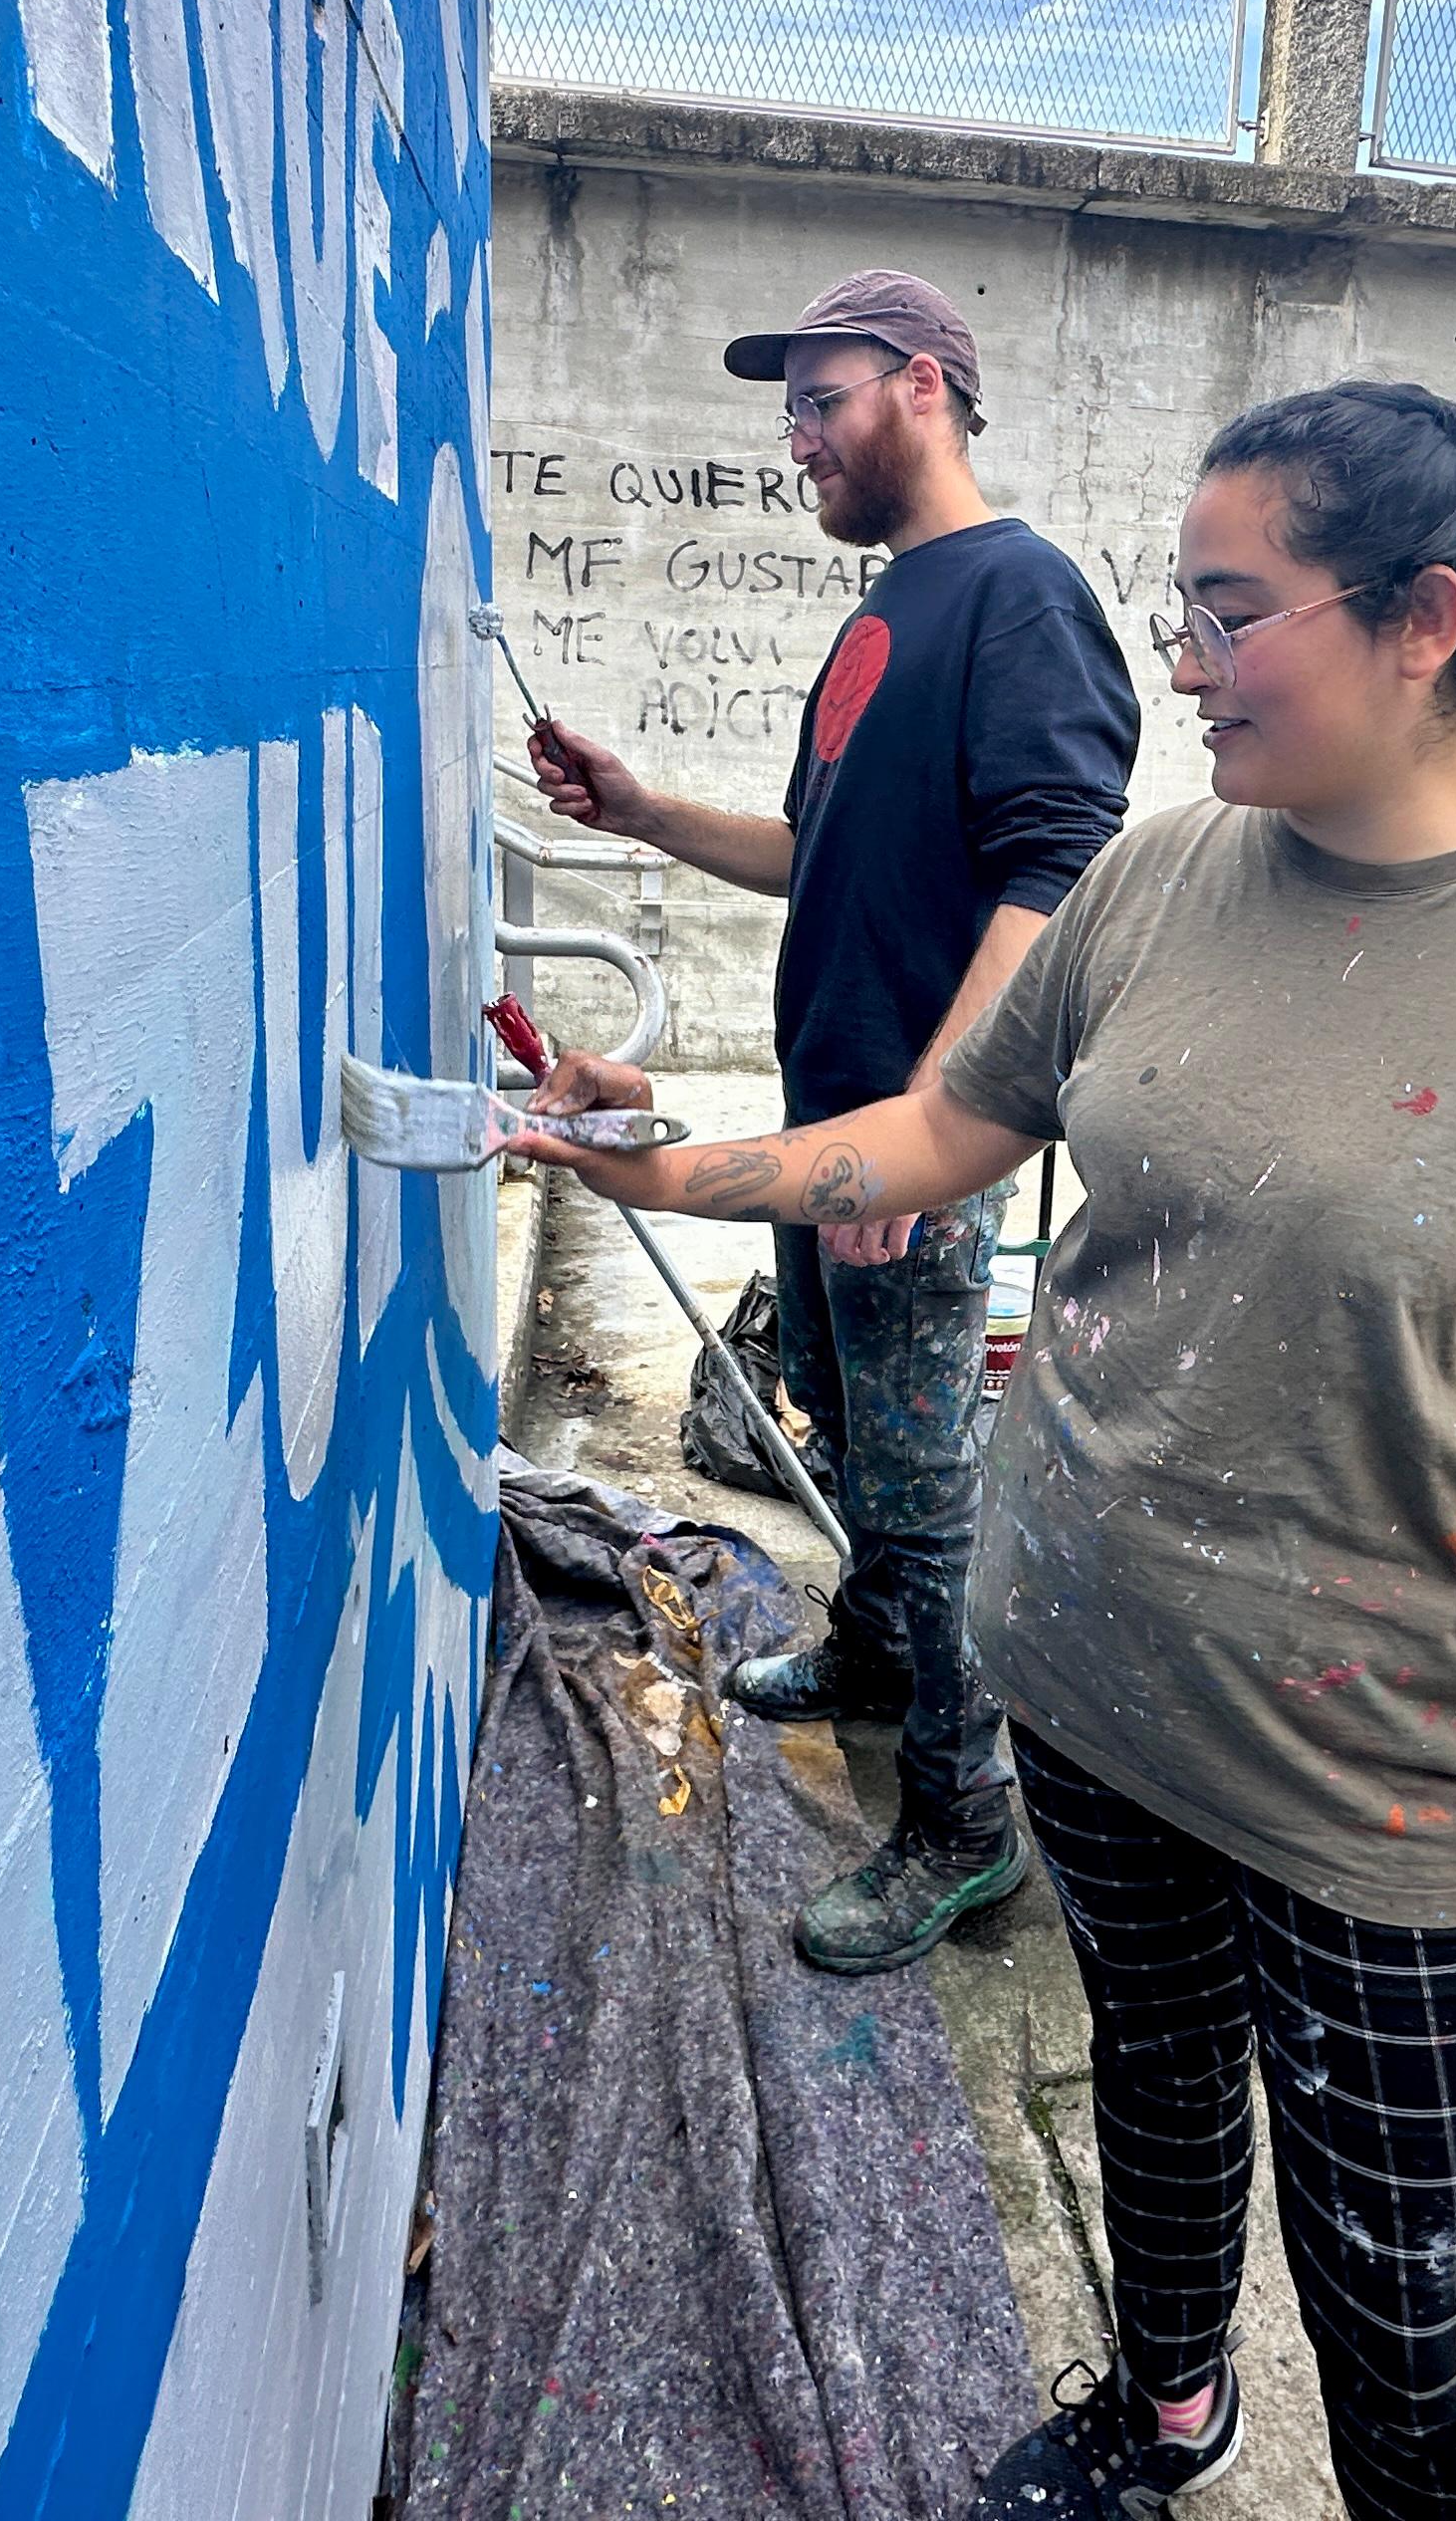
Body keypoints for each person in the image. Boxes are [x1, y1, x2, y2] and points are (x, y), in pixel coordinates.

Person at [518, 380, 1456, 2521]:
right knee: (1159, 2090)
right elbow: (941, 1130)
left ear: (1422, 623)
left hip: (1383, 1791)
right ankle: (1166, 2406)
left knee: (1409, 2335)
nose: (1180, 661)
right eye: (1179, 605)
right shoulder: (1165, 880)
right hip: (1087, 1684)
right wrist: (668, 1163)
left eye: (1229, 610)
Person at [524, 270, 1140, 1974]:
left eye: (821, 401)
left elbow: (1056, 872)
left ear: (926, 387)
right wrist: (645, 814)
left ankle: (962, 1825)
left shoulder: (1018, 598)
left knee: (933, 1504)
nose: (794, 438)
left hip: (907, 1145)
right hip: (843, 1129)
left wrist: (928, 1121)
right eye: (786, 408)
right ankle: (873, 1655)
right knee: (865, 1445)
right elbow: (826, 859)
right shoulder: (890, 617)